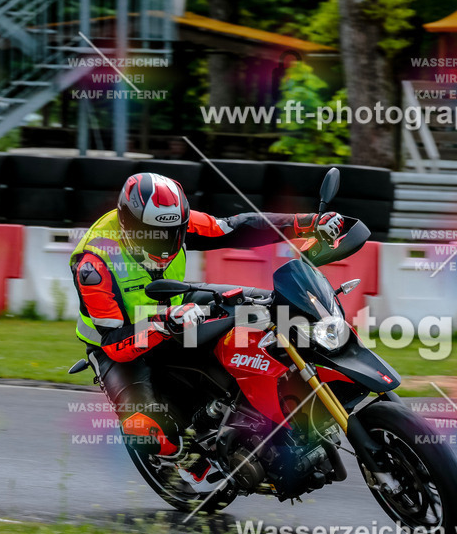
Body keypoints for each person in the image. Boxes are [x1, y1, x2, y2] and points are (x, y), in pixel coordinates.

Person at [70, 172, 343, 487]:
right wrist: (163, 323)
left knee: (272, 305)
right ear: (130, 227)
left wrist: (307, 223)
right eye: (156, 236)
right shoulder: (94, 265)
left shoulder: (178, 223)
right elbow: (113, 342)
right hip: (120, 344)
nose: (167, 244)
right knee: (145, 431)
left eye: (174, 233)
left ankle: (282, 404)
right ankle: (189, 457)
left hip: (176, 305)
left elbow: (237, 226)